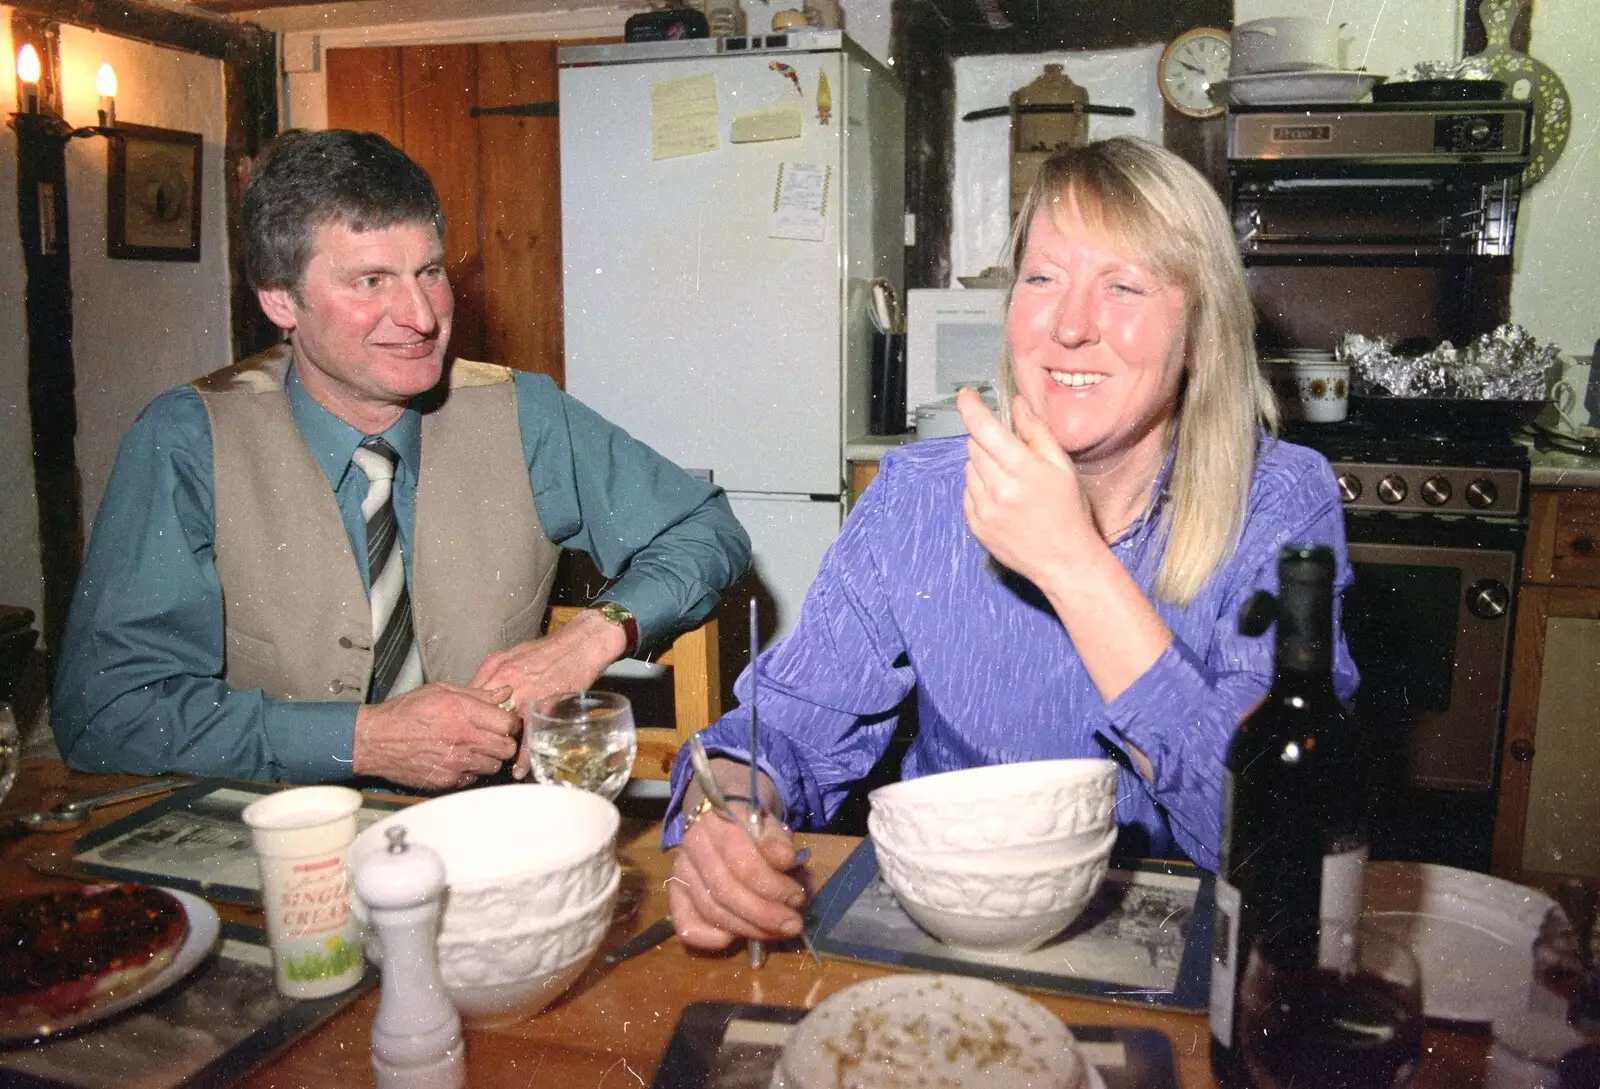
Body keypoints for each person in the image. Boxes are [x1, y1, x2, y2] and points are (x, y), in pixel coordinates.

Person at [664, 136, 1359, 952]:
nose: (1070, 326)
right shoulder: (917, 496)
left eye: (1124, 286)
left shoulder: (1279, 502)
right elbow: (778, 732)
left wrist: (1073, 565)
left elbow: (1273, 841)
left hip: (1176, 964)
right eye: (1042, 278)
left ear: (1201, 334)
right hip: (948, 940)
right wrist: (728, 812)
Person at [52, 129, 751, 792]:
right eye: (371, 281)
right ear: (278, 298)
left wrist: (595, 636)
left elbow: (706, 529)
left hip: (486, 838)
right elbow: (104, 713)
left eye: (430, 271)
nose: (420, 315)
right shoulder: (185, 439)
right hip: (277, 842)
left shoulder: (526, 413)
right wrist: (361, 739)